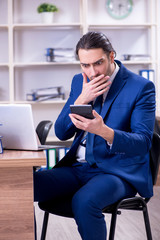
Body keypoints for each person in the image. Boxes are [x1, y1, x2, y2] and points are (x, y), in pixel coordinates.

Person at [34, 31, 156, 240]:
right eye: (85, 65)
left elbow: (143, 143)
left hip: (117, 173)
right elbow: (62, 132)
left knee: (84, 201)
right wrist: (82, 98)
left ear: (111, 56)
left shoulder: (141, 87)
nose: (92, 72)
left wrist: (103, 131)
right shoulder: (79, 82)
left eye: (97, 63)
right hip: (78, 168)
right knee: (25, 185)